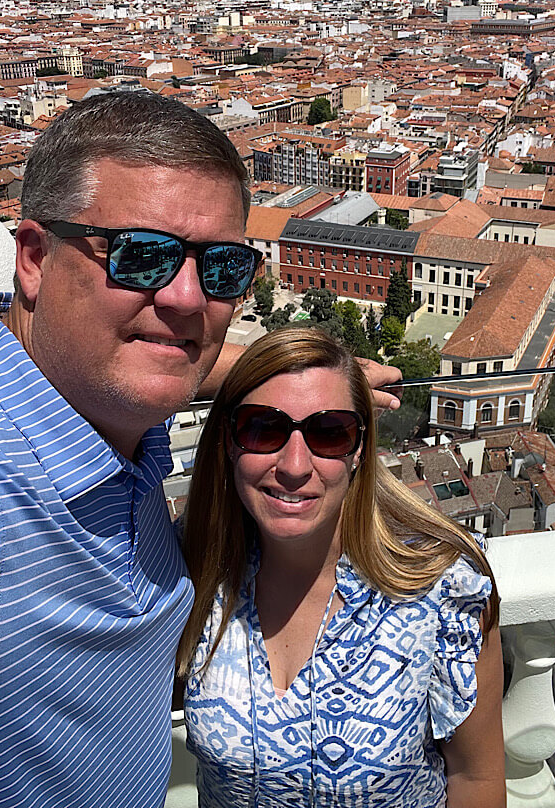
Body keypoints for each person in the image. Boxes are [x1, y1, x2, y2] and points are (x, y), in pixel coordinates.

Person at [0, 90, 402, 808]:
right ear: (33, 257)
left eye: (219, 269)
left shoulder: (101, 409)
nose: (187, 298)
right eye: (141, 257)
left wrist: (293, 381)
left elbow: (169, 342)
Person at [179, 326, 506, 808]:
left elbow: (476, 779)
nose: (294, 465)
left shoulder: (442, 590)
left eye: (329, 432)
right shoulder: (196, 573)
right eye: (261, 428)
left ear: (358, 449)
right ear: (228, 441)